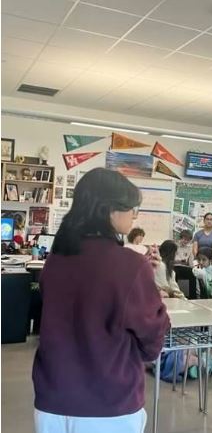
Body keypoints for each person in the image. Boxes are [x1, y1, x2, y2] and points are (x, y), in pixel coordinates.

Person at [32, 168, 170, 433]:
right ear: (110, 210)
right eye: (132, 208)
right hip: (108, 403)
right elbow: (152, 338)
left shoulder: (56, 259)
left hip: (52, 397)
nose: (134, 215)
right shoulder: (130, 264)